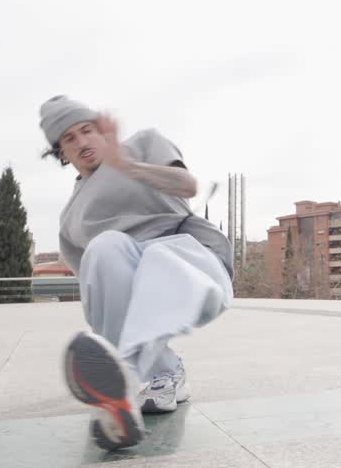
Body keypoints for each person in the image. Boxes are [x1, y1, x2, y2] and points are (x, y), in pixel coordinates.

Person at [39, 95, 234, 450]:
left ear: (102, 129)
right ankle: (152, 377)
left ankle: (129, 375)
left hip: (191, 258)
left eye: (87, 130)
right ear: (61, 153)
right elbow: (100, 290)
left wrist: (128, 166)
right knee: (104, 247)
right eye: (70, 138)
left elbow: (187, 186)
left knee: (158, 256)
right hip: (138, 294)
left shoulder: (142, 144)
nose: (82, 142)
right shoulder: (70, 219)